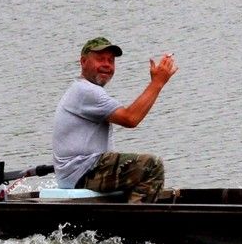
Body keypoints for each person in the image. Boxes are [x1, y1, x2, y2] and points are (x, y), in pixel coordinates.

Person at [52, 36, 177, 202]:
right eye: (100, 59)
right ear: (83, 62)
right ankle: (137, 225)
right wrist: (158, 82)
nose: (107, 65)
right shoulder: (85, 91)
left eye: (110, 61)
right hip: (81, 172)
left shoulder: (85, 91)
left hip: (79, 171)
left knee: (136, 168)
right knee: (151, 166)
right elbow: (130, 118)